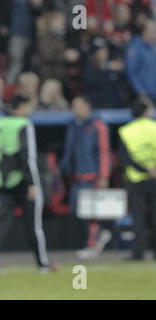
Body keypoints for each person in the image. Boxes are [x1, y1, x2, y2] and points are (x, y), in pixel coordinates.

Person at [0, 94, 53, 274]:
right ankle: (42, 263)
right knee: (33, 224)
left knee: (1, 222)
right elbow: (28, 157)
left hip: (3, 179)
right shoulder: (25, 125)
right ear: (22, 106)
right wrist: (32, 183)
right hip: (23, 180)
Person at [59, 96, 112, 259]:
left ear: (87, 106)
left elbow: (103, 152)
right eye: (73, 106)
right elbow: (69, 151)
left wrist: (103, 176)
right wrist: (63, 170)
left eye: (78, 105)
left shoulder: (97, 125)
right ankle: (100, 235)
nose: (75, 109)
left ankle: (93, 244)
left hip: (93, 176)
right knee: (78, 210)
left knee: (91, 211)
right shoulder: (73, 125)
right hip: (77, 176)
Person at [118, 98, 156, 261]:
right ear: (146, 110)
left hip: (135, 179)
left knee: (138, 217)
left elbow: (125, 158)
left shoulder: (125, 131)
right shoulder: (154, 127)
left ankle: (138, 253)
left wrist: (143, 169)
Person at [126, 20, 156, 105]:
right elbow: (131, 71)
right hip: (145, 95)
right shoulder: (135, 47)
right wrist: (140, 90)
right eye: (153, 31)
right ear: (145, 32)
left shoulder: (153, 47)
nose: (155, 33)